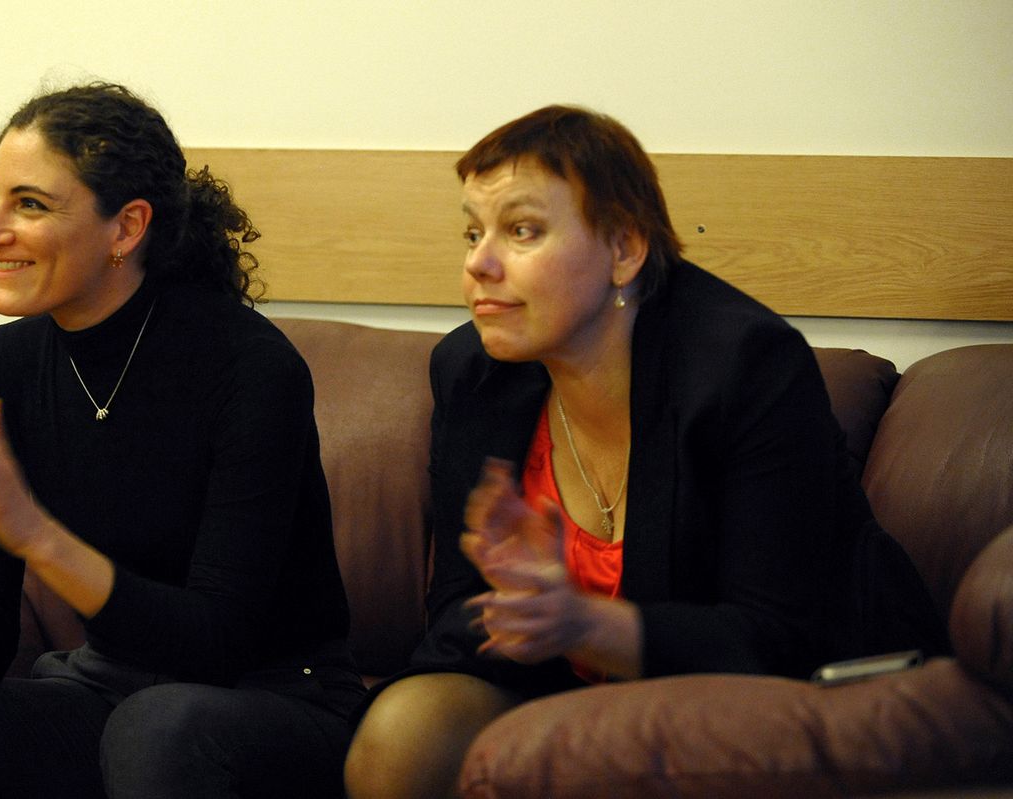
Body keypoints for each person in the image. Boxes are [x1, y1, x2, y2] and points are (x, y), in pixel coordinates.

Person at [343, 105, 948, 799]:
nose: (478, 263)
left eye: (521, 230)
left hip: (788, 705)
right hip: (561, 690)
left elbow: (774, 638)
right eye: (473, 232)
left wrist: (585, 623)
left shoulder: (745, 368)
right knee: (408, 731)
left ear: (624, 249)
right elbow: (455, 608)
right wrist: (521, 605)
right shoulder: (475, 373)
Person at [0, 81, 365, 799]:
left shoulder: (248, 368)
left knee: (156, 728)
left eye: (30, 204)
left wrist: (39, 539)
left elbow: (218, 641)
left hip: (274, 695)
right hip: (109, 687)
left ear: (126, 228)